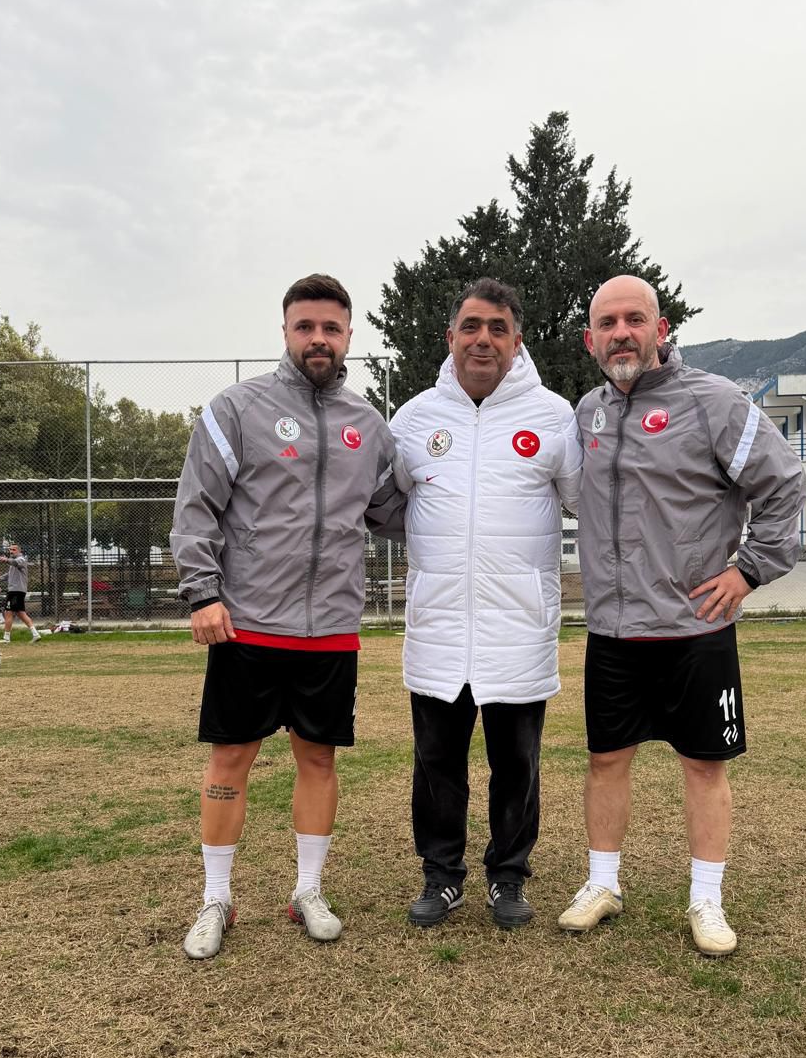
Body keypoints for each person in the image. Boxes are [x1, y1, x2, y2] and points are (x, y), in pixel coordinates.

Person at [559, 275, 805, 955]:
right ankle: (602, 884)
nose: (621, 333)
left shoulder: (713, 402)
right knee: (605, 759)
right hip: (613, 630)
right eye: (607, 323)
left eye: (634, 319)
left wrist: (749, 569)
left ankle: (706, 899)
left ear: (660, 329)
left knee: (704, 765)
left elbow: (784, 482)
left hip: (696, 628)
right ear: (589, 340)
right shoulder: (588, 412)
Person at [170, 273, 404, 960]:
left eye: (331, 328)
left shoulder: (369, 425)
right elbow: (196, 507)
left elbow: (396, 511)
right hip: (246, 622)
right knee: (231, 757)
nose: (318, 339)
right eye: (306, 327)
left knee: (318, 758)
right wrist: (202, 593)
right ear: (285, 332)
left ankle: (308, 891)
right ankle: (216, 897)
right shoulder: (237, 410)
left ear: (349, 335)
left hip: (330, 627)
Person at [389, 278, 582, 929]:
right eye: (471, 327)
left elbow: (589, 502)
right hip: (438, 629)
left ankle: (508, 876)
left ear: (517, 341)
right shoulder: (414, 420)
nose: (483, 339)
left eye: (498, 329)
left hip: (518, 631)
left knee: (517, 765)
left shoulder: (554, 417)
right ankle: (441, 876)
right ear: (450, 337)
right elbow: (388, 502)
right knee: (436, 765)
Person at [0, 546, 41, 643]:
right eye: (10, 550)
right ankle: (35, 634)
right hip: (16, 591)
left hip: (15, 591)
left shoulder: (21, 559)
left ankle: (6, 638)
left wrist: (6, 560)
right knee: (21, 613)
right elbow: (8, 574)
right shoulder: (13, 562)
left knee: (8, 612)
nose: (11, 551)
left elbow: (15, 562)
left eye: (13, 550)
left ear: (19, 551)